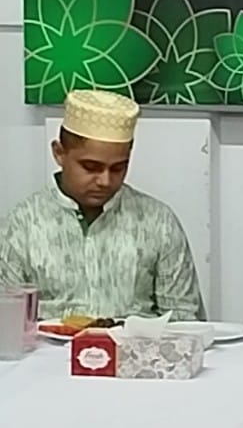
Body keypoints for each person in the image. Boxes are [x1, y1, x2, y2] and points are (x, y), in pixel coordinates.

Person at [0, 89, 205, 321]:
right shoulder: (22, 225)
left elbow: (183, 319)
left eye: (118, 168)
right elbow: (7, 321)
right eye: (91, 167)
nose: (105, 181)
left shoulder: (159, 222)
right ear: (59, 153)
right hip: (48, 344)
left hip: (138, 344)